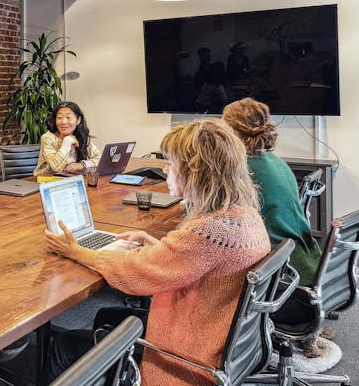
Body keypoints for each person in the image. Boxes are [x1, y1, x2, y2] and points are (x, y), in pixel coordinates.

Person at [44, 118, 270, 385]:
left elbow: (133, 274)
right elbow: (194, 261)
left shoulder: (209, 231)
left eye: (171, 164)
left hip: (186, 360)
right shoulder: (244, 215)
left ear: (195, 173)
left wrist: (76, 251)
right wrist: (156, 246)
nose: (166, 170)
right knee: (106, 316)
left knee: (62, 346)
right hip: (218, 342)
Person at [222, 98, 322, 286]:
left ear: (233, 131)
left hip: (280, 271)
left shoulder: (242, 170)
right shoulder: (276, 162)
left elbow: (217, 216)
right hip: (307, 259)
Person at [33, 101, 101, 176]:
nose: (63, 122)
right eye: (59, 118)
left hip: (70, 179)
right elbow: (56, 167)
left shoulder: (81, 136)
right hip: (46, 181)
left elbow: (100, 158)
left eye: (68, 117)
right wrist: (67, 141)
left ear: (78, 120)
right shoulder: (48, 138)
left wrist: (83, 164)